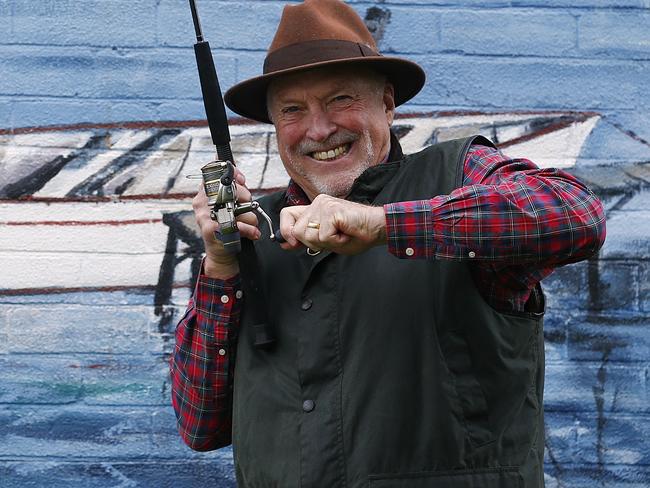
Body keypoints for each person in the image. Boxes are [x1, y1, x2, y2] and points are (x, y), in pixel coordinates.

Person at [170, 1, 606, 487]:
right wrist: (221, 267)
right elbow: (200, 423)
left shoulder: (456, 172)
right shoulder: (253, 234)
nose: (319, 129)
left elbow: (575, 214)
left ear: (388, 104)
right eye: (293, 110)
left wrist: (383, 224)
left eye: (340, 100)